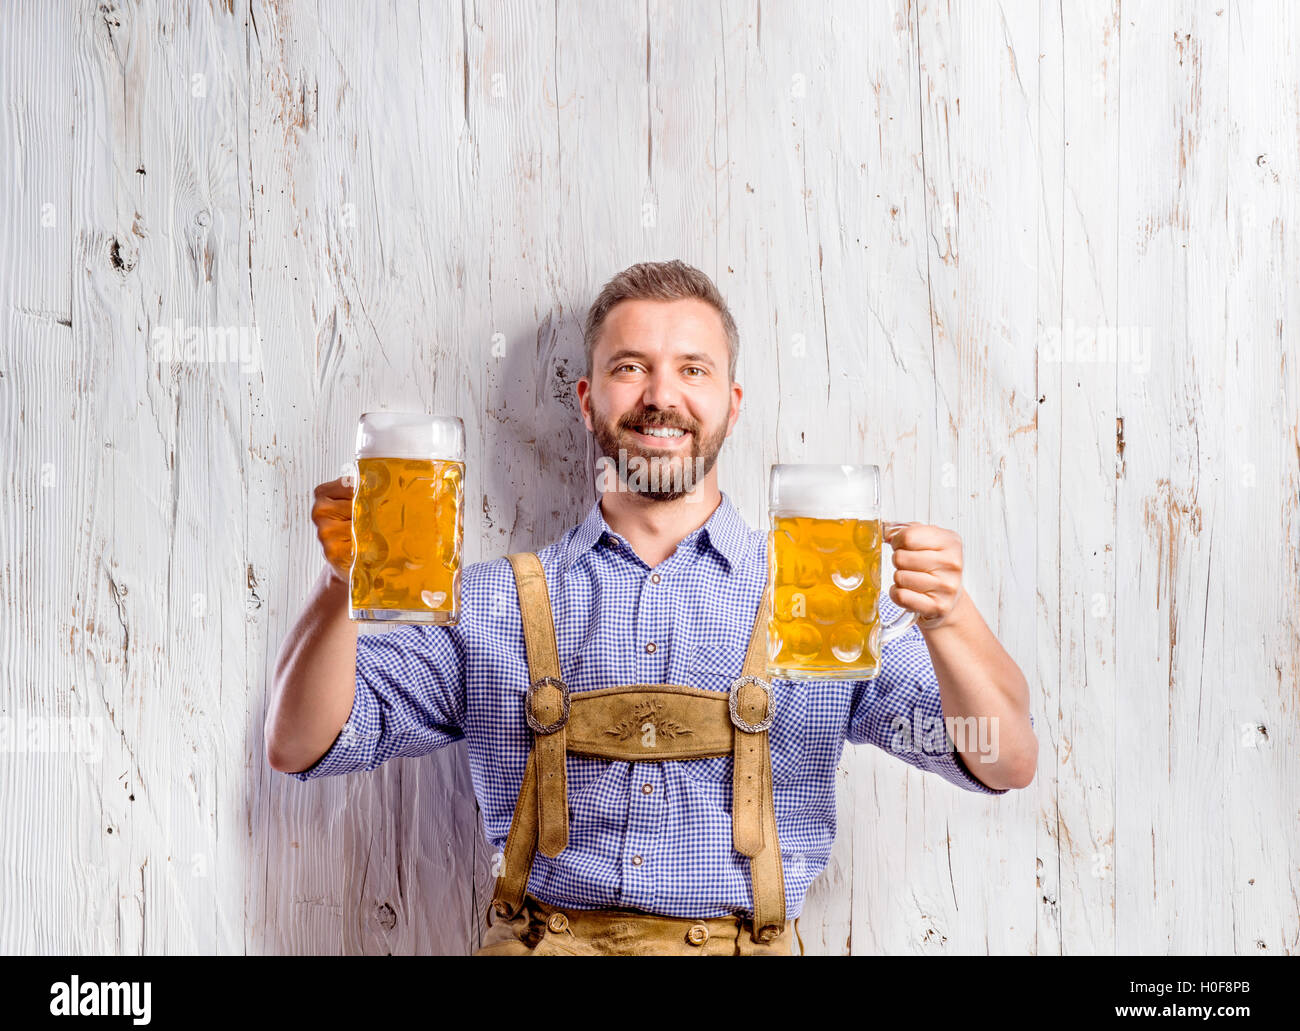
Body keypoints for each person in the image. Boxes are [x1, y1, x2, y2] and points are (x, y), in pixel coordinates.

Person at [265, 260, 1037, 956]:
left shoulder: (821, 605)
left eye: (692, 369)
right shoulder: (490, 604)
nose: (661, 396)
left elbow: (1006, 757)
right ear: (587, 398)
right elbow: (299, 742)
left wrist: (950, 617)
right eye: (630, 367)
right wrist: (342, 587)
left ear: (731, 404)